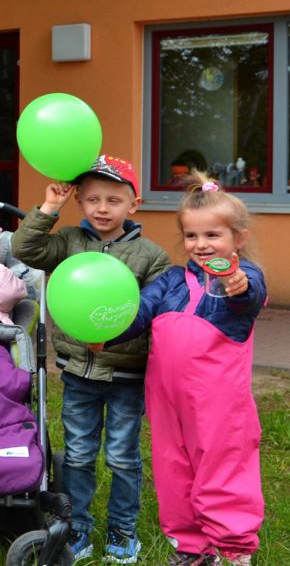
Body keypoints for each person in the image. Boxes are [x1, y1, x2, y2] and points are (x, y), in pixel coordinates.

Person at [11, 155, 170, 564]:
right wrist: (49, 207)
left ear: (134, 205)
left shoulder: (152, 257)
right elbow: (24, 248)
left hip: (126, 374)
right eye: (93, 199)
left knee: (122, 455)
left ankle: (123, 529)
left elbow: (155, 315)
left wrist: (115, 338)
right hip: (78, 372)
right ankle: (78, 528)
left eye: (114, 200)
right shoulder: (66, 242)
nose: (103, 208)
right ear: (79, 200)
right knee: (78, 454)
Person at [101, 173, 264, 566]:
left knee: (222, 469)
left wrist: (237, 282)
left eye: (212, 235)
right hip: (167, 401)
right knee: (173, 470)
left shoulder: (244, 277)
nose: (201, 245)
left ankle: (233, 548)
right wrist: (105, 333)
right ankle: (192, 548)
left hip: (219, 404)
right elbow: (138, 313)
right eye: (191, 236)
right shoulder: (172, 280)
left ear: (237, 239)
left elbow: (249, 298)